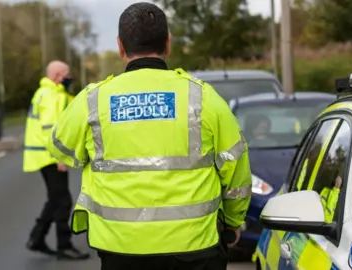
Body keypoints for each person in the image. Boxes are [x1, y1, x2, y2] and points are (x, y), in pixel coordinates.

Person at [46, 2, 252, 270]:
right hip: (195, 247)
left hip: (119, 248)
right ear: (168, 43)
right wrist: (234, 221)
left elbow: (59, 148)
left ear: (120, 46)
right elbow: (236, 168)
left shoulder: (93, 100)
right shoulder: (203, 98)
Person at [23, 60, 90, 260]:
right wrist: (58, 156)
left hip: (40, 154)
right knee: (63, 200)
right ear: (57, 76)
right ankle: (64, 245)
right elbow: (51, 129)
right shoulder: (51, 96)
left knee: (55, 198)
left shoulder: (48, 93)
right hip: (48, 155)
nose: (69, 78)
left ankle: (37, 238)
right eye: (67, 75)